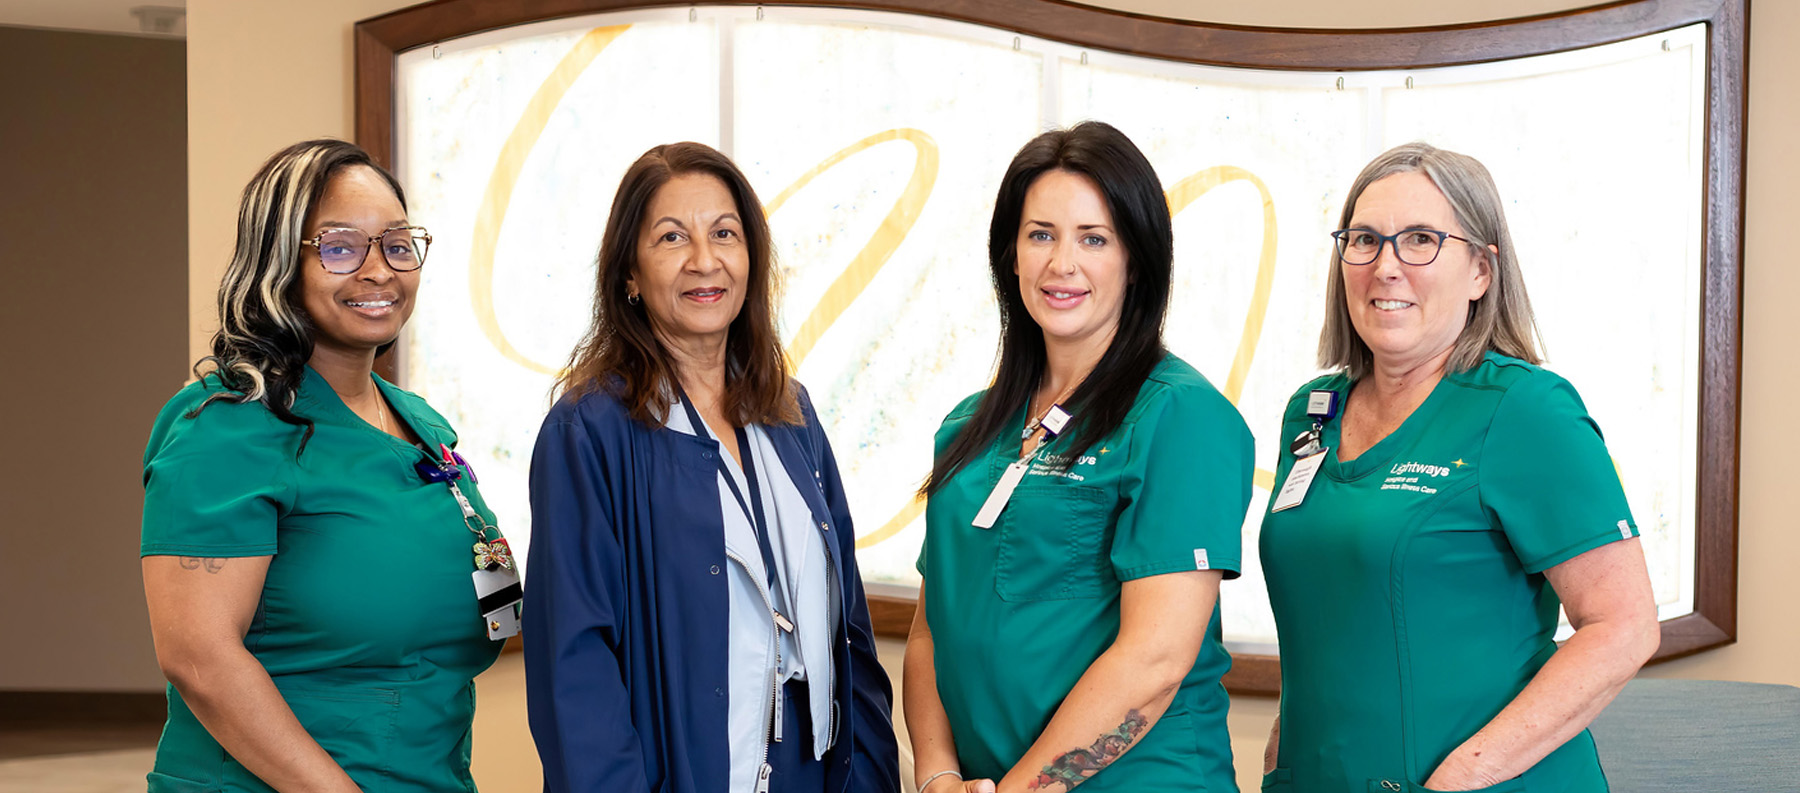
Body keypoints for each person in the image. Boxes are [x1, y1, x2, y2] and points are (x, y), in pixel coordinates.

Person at [1258, 142, 1661, 792]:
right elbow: (1333, 604)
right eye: (1364, 239)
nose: (1386, 266)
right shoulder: (1311, 412)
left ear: (1480, 269)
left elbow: (1624, 624)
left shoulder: (1525, 409)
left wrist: (1461, 778)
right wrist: (1286, 741)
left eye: (1420, 239)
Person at [523, 141, 900, 793]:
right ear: (630, 276)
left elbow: (849, 631)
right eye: (672, 237)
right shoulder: (591, 430)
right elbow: (574, 667)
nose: (705, 259)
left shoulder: (791, 413)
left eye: (724, 233)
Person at [141, 139, 516, 792]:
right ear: (279, 261)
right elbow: (198, 657)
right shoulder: (227, 425)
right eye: (341, 246)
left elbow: (496, 606)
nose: (380, 270)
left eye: (398, 244)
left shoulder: (423, 426)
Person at [904, 121, 1255, 793]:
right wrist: (939, 774)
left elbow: (1155, 659)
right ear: (1009, 253)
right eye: (1041, 234)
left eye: (1094, 238)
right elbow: (929, 631)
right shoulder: (968, 428)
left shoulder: (1181, 417)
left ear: (1137, 258)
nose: (1061, 263)